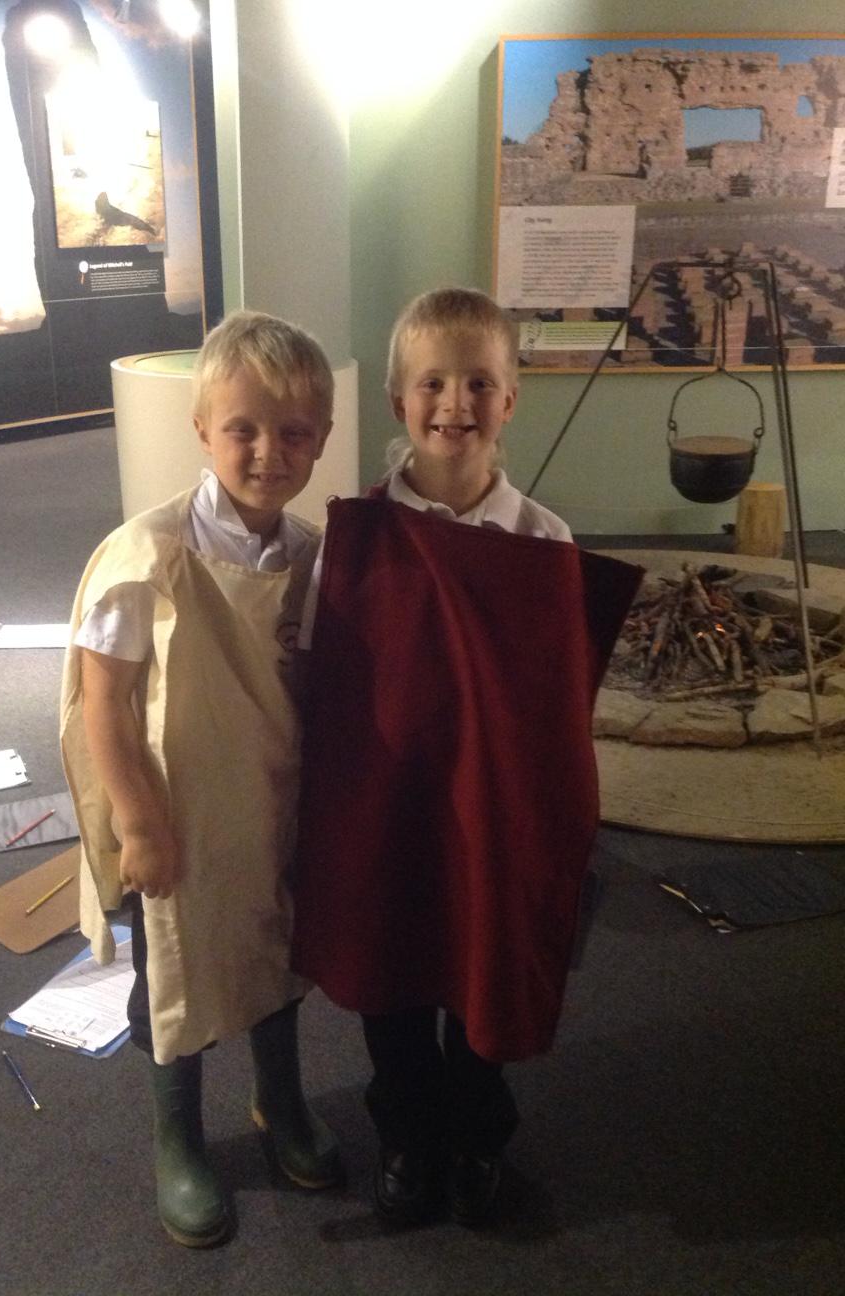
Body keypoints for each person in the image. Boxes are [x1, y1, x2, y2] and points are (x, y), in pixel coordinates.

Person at [292, 288, 641, 1230]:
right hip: (390, 801)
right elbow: (328, 680)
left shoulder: (543, 543)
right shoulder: (355, 539)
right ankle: (407, 1137)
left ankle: (479, 1140)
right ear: (399, 401)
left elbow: (555, 712)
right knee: (394, 969)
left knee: (487, 967)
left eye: (480, 383)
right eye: (433, 383)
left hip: (494, 808)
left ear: (510, 400)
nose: (456, 403)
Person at [61, 310, 342, 1249]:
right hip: (177, 812)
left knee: (276, 950)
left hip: (269, 800)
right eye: (243, 429)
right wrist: (140, 824)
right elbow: (103, 701)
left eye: (293, 432)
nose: (268, 452)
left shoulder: (311, 556)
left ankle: (280, 1101)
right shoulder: (147, 556)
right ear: (202, 430)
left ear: (322, 438)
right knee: (173, 974)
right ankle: (177, 1137)